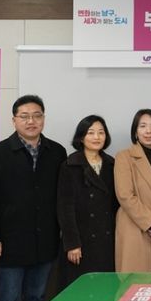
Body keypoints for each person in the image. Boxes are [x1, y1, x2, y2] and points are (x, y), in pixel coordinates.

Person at [0, 95, 67, 301]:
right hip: (10, 242)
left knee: (37, 299)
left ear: (43, 119)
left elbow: (62, 197)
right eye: (24, 116)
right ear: (14, 120)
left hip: (45, 241)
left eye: (37, 116)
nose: (31, 121)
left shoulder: (57, 152)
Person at [57, 115, 118, 289]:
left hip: (107, 239)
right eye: (91, 133)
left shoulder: (112, 164)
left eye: (101, 132)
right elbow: (65, 208)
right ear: (81, 137)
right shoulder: (70, 165)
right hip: (81, 240)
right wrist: (72, 244)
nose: (96, 137)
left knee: (105, 290)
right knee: (80, 290)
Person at [114, 109, 151, 272]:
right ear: (135, 131)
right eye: (143, 126)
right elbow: (125, 195)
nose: (148, 131)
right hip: (135, 225)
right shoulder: (124, 156)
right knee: (136, 280)